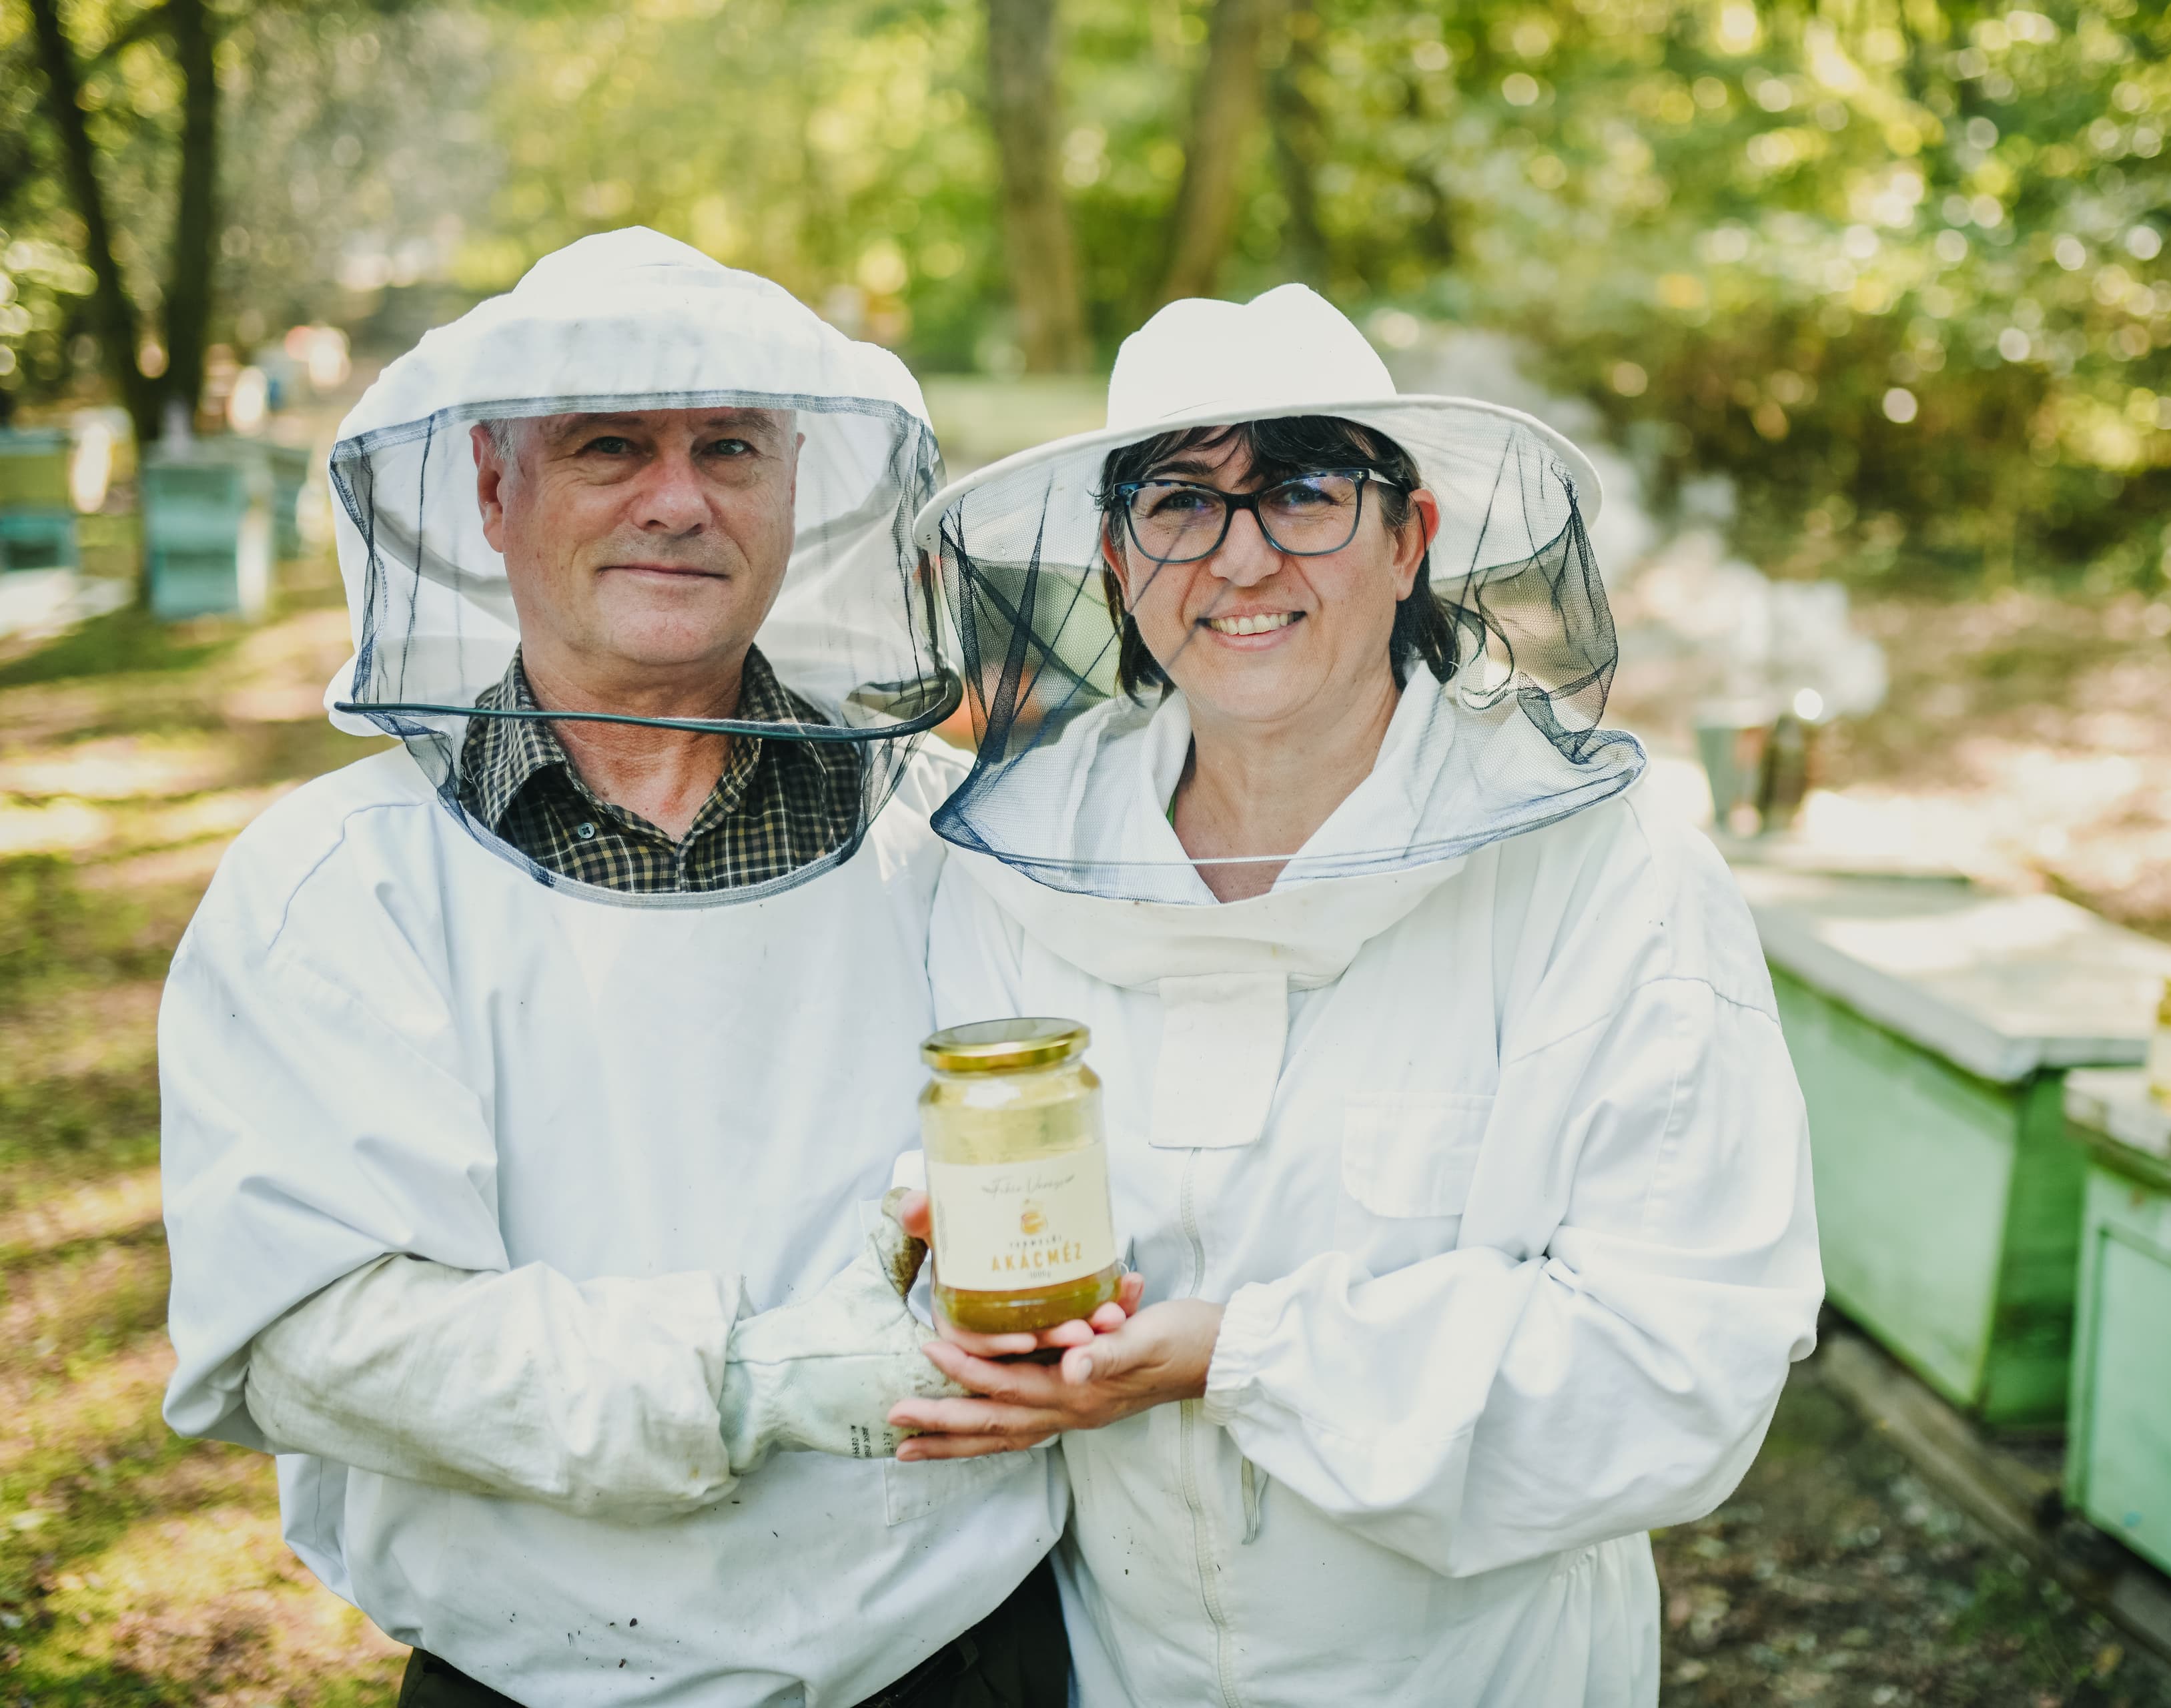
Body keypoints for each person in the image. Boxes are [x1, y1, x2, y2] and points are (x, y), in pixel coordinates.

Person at [158, 230, 1088, 1707]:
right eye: (610, 446)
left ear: (798, 482)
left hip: (963, 1656)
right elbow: (311, 1338)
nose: (678, 499)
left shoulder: (958, 842)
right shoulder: (336, 884)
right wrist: (745, 1378)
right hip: (537, 1676)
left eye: (730, 447)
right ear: (491, 486)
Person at [891, 284, 1824, 1706]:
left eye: (1305, 491)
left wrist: (1239, 1357)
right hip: (1122, 1668)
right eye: (1179, 502)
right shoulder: (1020, 862)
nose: (1242, 555)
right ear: (1118, 560)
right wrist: (947, 1263)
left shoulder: (1607, 874)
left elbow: (1681, 1360)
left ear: (1410, 539)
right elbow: (958, 1203)